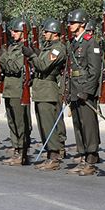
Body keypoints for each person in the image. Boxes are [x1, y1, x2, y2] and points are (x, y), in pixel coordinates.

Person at [28, 18, 67, 170]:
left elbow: (43, 66)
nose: (44, 33)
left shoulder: (58, 49)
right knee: (43, 125)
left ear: (55, 33)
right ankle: (50, 154)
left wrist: (32, 56)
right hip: (41, 89)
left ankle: (54, 157)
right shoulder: (48, 48)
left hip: (48, 90)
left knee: (49, 124)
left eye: (47, 31)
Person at [66, 9, 101, 176]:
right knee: (78, 125)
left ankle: (91, 160)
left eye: (73, 23)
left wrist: (87, 90)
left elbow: (95, 71)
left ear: (81, 24)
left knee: (88, 126)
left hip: (84, 90)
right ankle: (82, 156)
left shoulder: (90, 42)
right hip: (74, 88)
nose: (70, 25)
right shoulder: (73, 42)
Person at [0, 18, 33, 165]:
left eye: (16, 31)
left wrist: (2, 56)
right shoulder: (12, 47)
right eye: (12, 31)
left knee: (20, 123)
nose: (13, 33)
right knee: (12, 122)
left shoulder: (24, 49)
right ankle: (16, 149)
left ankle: (22, 151)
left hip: (18, 89)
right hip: (9, 89)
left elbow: (14, 67)